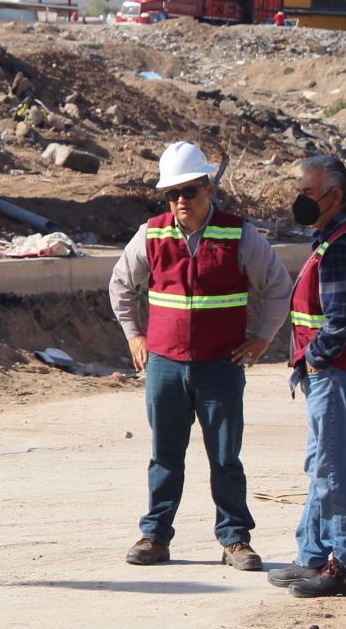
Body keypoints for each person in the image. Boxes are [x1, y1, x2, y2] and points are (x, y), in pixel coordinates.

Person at [109, 141, 292, 572]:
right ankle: (155, 535)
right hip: (166, 367)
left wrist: (263, 337)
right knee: (165, 454)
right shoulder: (151, 233)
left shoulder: (239, 234)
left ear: (208, 189)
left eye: (188, 192)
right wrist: (134, 335)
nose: (179, 202)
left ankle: (235, 540)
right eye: (172, 194)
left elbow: (279, 287)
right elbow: (120, 285)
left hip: (219, 368)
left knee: (225, 456)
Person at [267, 154, 346, 598]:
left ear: (334, 196)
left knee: (335, 472)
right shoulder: (334, 236)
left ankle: (345, 566)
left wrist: (315, 359)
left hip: (341, 374)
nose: (299, 199)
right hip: (341, 373)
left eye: (306, 192)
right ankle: (313, 556)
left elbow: (342, 320)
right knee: (321, 466)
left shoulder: (343, 246)